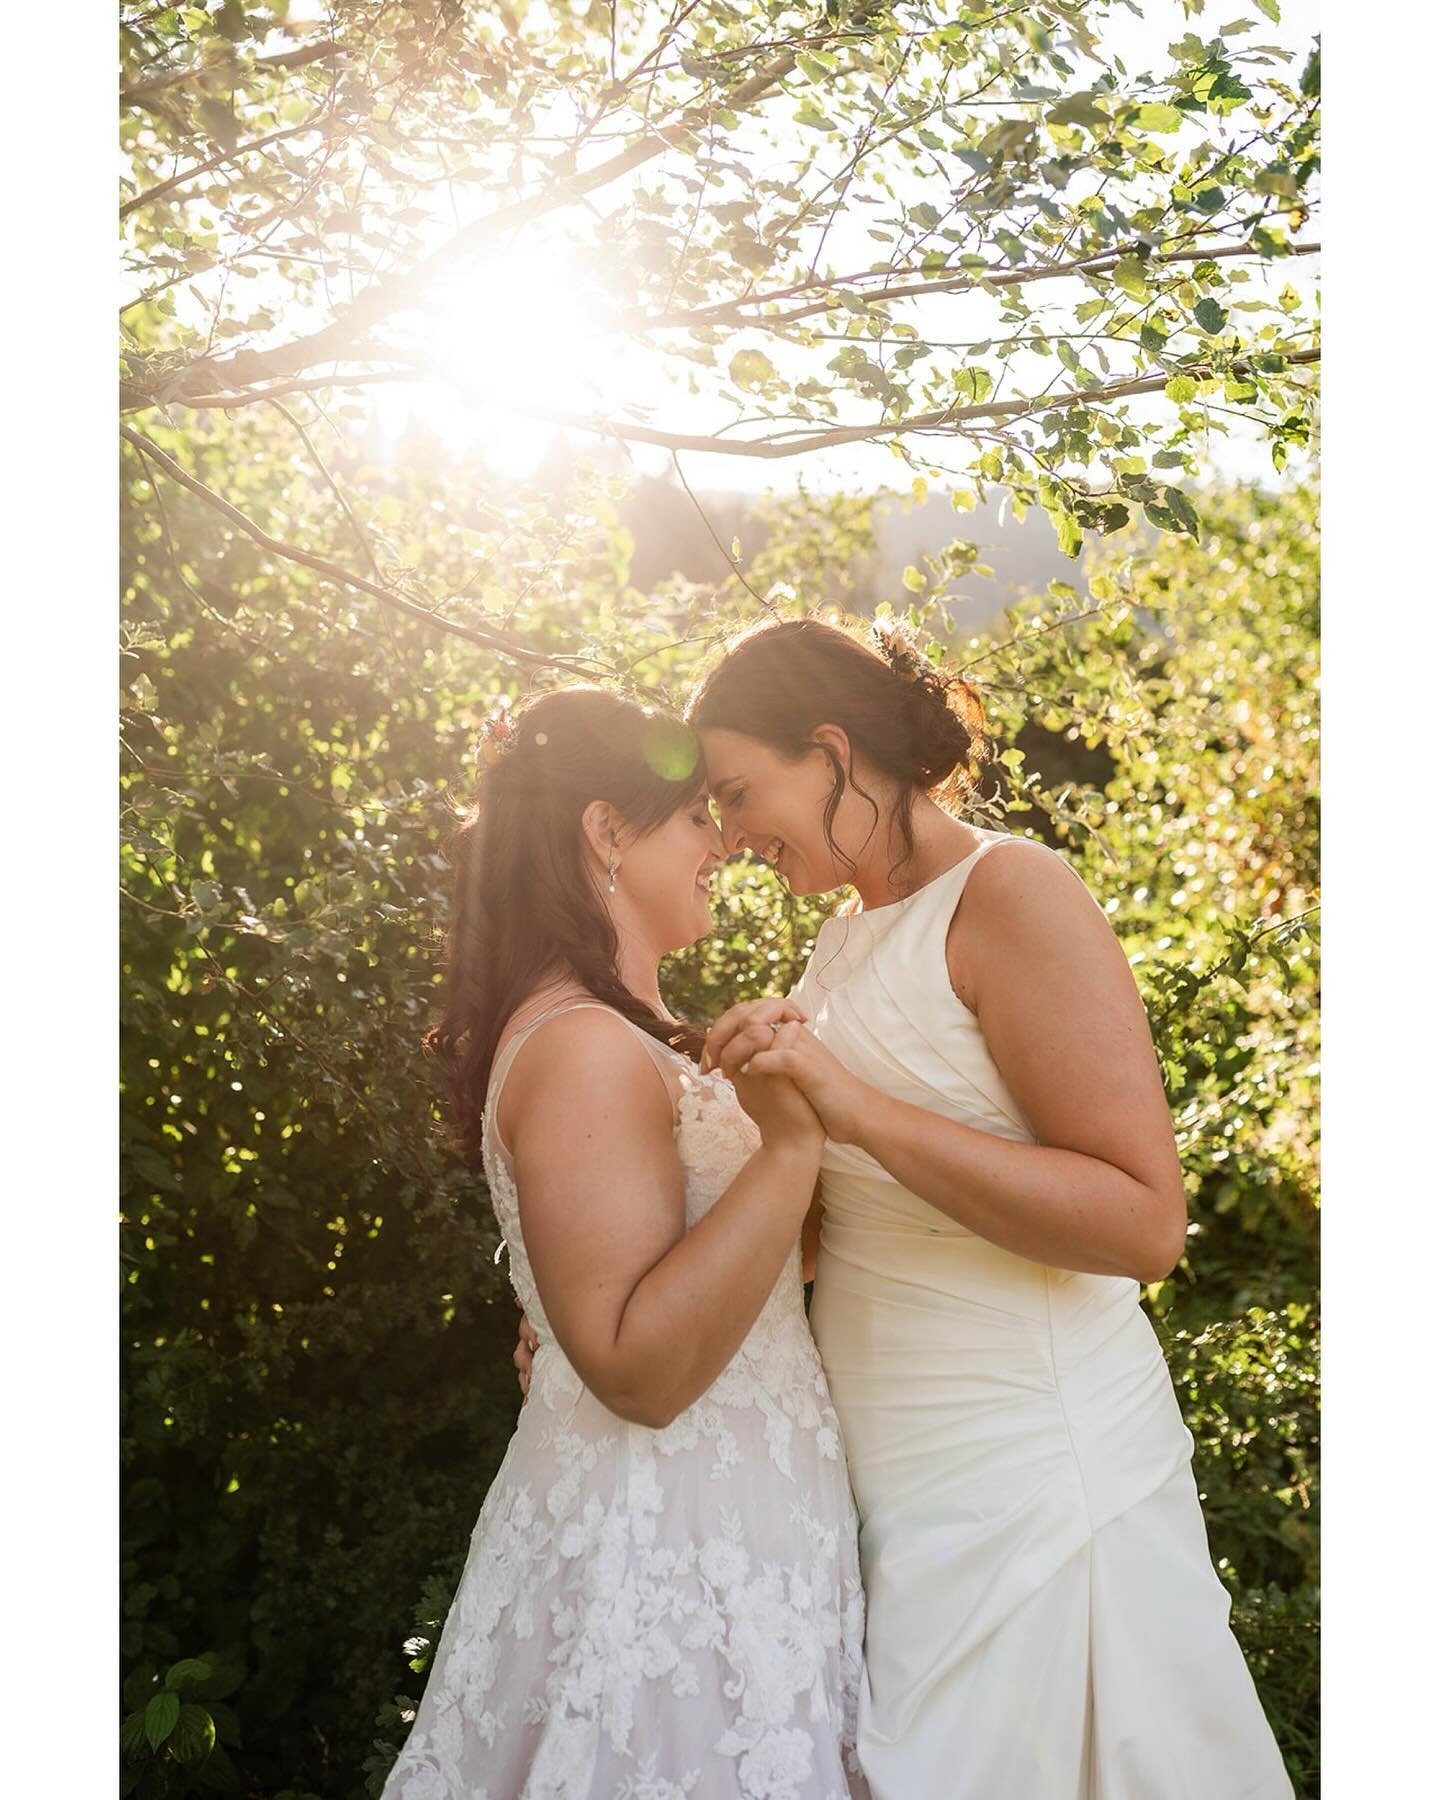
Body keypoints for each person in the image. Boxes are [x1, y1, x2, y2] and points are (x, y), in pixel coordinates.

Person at [514, 617, 1294, 1800]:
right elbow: (833, 1222)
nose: (727, 836)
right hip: (887, 1480)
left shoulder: (1012, 892)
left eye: (737, 792)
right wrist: (593, 1321)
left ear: (829, 750)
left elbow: (1143, 1223)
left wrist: (855, 1112)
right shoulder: (841, 944)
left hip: (1027, 1469)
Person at [384, 685, 869, 1800]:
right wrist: (789, 1155)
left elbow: (716, 1282)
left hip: (736, 1532)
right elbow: (640, 1371)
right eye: (698, 815)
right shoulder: (583, 1050)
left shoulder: (633, 1038)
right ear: (606, 831)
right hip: (658, 1555)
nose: (725, 842)